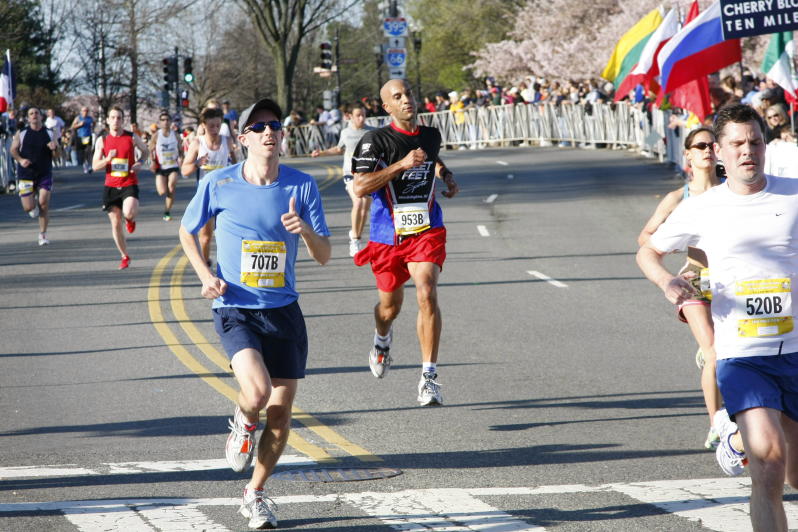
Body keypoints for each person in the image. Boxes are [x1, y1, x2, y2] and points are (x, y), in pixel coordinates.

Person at [637, 103, 798, 532]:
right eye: (737, 144)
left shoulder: (794, 194)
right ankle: (738, 434)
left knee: (795, 473)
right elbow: (648, 250)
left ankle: (738, 436)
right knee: (768, 463)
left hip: (797, 349)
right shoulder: (703, 207)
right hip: (743, 354)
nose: (748, 151)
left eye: (755, 142)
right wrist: (667, 281)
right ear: (720, 153)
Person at [179, 98, 330, 530]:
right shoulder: (219, 182)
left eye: (274, 125)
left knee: (280, 416)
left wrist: (306, 231)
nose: (269, 132)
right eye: (259, 127)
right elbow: (187, 231)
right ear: (243, 138)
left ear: (282, 135)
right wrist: (206, 275)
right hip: (235, 307)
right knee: (258, 393)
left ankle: (256, 493)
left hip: (283, 311)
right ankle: (244, 421)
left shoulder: (302, 186)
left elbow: (324, 254)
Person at [352, 79, 459, 406]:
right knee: (389, 308)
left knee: (426, 290)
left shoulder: (431, 135)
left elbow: (433, 159)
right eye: (397, 97)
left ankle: (429, 378)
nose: (406, 100)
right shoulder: (375, 141)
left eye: (408, 94)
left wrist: (446, 175)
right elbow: (360, 187)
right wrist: (401, 164)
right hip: (387, 236)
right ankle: (382, 340)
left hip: (426, 230)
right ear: (387, 107)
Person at [637, 126, 723, 449]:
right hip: (696, 280)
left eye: (712, 144)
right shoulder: (678, 198)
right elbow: (645, 238)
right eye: (700, 146)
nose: (707, 150)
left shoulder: (732, 189)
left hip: (732, 280)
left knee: (731, 351)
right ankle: (716, 425)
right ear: (687, 154)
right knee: (714, 352)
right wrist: (674, 244)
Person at [312, 102, 375, 256]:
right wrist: (321, 153)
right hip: (350, 173)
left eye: (363, 115)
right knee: (358, 202)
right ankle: (355, 241)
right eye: (358, 115)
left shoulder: (372, 132)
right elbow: (338, 149)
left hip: (367, 174)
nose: (361, 118)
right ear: (350, 116)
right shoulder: (346, 132)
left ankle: (356, 234)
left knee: (365, 208)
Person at [92, 106, 149, 270]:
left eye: (119, 118)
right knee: (115, 223)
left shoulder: (131, 137)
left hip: (129, 182)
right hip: (110, 185)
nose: (116, 121)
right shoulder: (102, 140)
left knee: (128, 212)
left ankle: (130, 220)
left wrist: (139, 163)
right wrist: (107, 159)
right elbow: (95, 166)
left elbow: (145, 151)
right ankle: (124, 256)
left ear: (123, 120)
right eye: (113, 117)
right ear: (108, 120)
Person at [181, 107, 237, 265]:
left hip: (226, 194)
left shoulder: (227, 141)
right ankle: (205, 264)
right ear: (203, 125)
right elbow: (184, 170)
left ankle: (229, 267)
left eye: (218, 125)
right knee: (205, 237)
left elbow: (237, 166)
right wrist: (197, 163)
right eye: (211, 126)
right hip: (206, 195)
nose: (215, 129)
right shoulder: (197, 143)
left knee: (229, 234)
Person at [9, 107, 58, 246]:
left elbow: (57, 155)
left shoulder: (50, 132)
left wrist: (54, 148)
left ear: (41, 117)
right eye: (31, 113)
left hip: (44, 173)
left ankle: (43, 234)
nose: (34, 115)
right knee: (28, 207)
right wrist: (20, 160)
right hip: (26, 174)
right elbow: (13, 150)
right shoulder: (22, 133)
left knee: (44, 203)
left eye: (37, 113)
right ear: (28, 118)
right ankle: (32, 206)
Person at [150, 111, 182, 221]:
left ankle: (167, 211)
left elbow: (181, 149)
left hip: (173, 166)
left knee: (171, 187)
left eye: (167, 120)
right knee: (162, 191)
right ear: (159, 122)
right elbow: (150, 149)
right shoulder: (156, 135)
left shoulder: (175, 135)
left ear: (171, 121)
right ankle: (165, 192)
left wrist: (181, 158)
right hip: (161, 167)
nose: (165, 122)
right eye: (163, 120)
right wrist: (152, 161)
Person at [71, 106, 94, 174]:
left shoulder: (90, 118)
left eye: (87, 111)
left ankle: (90, 165)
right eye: (84, 110)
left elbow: (93, 124)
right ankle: (84, 166)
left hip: (88, 136)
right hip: (80, 137)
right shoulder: (78, 118)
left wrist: (92, 125)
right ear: (81, 111)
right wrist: (79, 124)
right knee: (83, 153)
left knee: (88, 151)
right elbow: (72, 127)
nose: (85, 112)